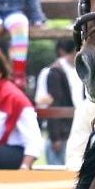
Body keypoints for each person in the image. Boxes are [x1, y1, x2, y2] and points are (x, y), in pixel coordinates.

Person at [36, 36, 83, 166]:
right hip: (61, 134)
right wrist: (55, 137)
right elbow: (53, 104)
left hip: (74, 129)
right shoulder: (55, 71)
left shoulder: (74, 70)